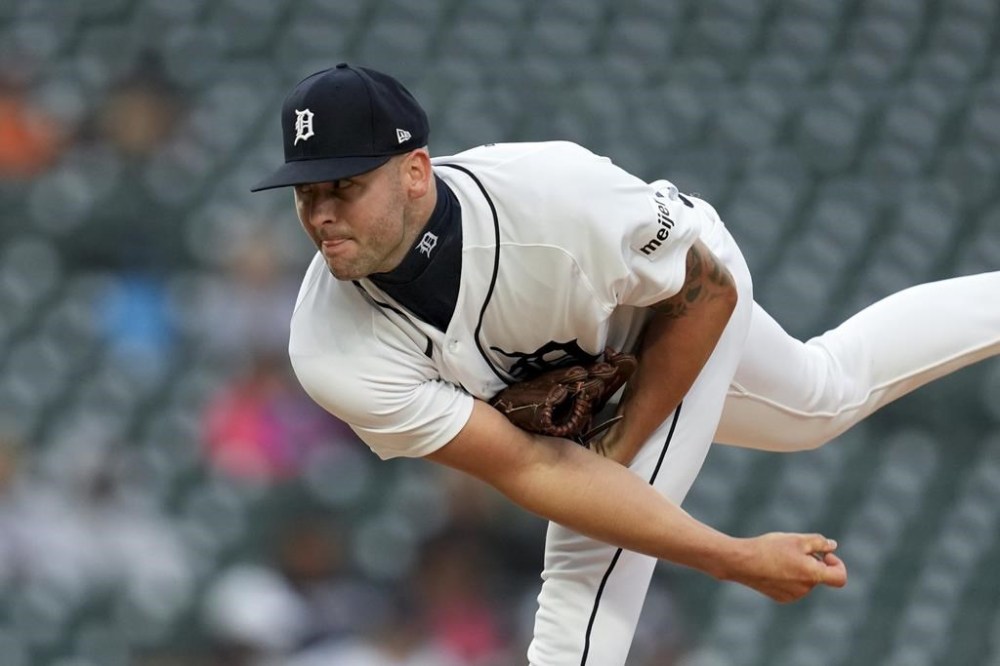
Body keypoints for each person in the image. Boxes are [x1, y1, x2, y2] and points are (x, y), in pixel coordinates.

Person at [250, 63, 1000, 666]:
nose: (322, 215)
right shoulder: (329, 348)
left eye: (346, 186)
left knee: (583, 576)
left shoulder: (551, 199)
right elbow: (531, 470)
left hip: (676, 300)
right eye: (306, 193)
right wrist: (696, 529)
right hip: (599, 362)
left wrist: (694, 522)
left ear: (415, 171)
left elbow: (708, 292)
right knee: (821, 403)